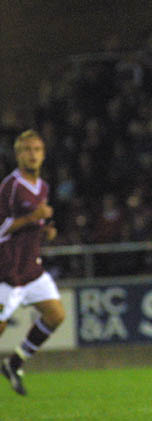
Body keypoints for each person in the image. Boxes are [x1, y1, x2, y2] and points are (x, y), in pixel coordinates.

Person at [0, 130, 65, 396]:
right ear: (18, 155)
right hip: (9, 271)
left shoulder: (44, 187)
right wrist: (32, 218)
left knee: (56, 315)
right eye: (27, 149)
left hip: (32, 269)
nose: (33, 154)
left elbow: (34, 222)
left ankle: (14, 363)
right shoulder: (10, 187)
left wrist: (44, 230)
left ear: (43, 154)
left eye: (37, 149)